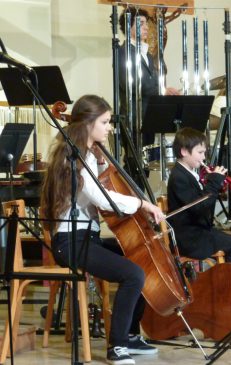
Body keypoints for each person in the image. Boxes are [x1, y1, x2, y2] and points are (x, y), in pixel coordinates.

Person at [41, 95, 165, 365]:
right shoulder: (73, 156)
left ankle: (130, 334)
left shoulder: (87, 154)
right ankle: (117, 346)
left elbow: (104, 183)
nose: (109, 127)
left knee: (141, 257)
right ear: (87, 124)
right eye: (105, 122)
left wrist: (101, 155)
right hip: (69, 242)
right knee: (133, 274)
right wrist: (142, 204)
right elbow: (102, 197)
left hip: (88, 238)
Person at [167, 127, 231, 263]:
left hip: (200, 232)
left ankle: (228, 282)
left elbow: (204, 203)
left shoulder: (190, 173)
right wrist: (214, 182)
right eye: (200, 152)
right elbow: (199, 207)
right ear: (183, 151)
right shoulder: (178, 176)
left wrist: (217, 186)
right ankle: (226, 283)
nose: (203, 157)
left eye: (204, 153)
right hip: (189, 238)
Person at [118, 7, 179, 148]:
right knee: (134, 166)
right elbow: (131, 84)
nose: (146, 27)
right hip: (133, 120)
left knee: (146, 166)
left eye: (146, 23)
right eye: (141, 24)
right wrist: (162, 90)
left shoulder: (149, 56)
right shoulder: (122, 53)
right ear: (128, 27)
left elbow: (153, 82)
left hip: (149, 117)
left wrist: (165, 91)